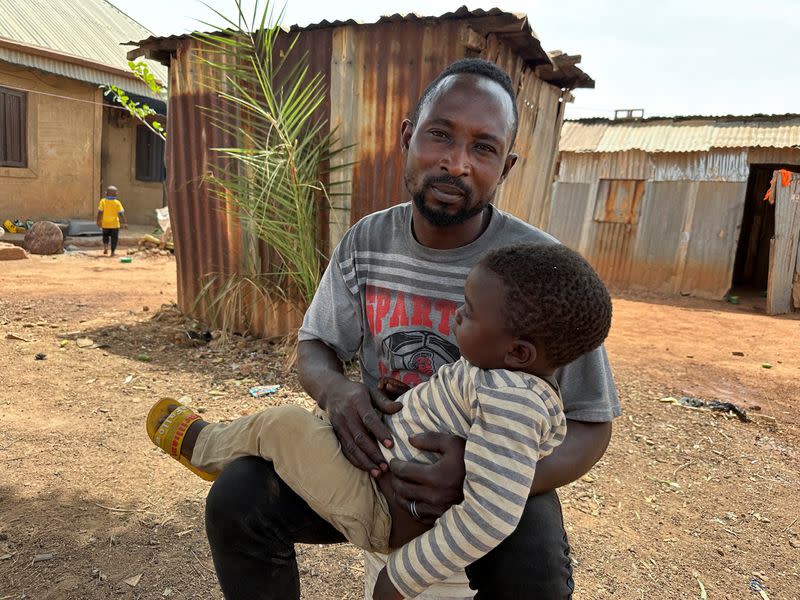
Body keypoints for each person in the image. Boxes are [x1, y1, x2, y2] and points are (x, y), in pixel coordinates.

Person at [201, 58, 621, 599]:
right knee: (239, 497)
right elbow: (315, 345)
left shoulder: (541, 268)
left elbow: (592, 423)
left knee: (533, 568)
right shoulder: (367, 242)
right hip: (376, 466)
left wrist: (479, 478)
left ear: (507, 166)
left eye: (483, 148)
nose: (456, 163)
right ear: (408, 135)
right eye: (440, 135)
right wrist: (338, 392)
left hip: (495, 474)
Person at [147, 243, 612, 599]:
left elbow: (491, 515)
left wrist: (401, 576)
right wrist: (405, 402)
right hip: (382, 465)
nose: (456, 314)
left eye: (468, 311)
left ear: (518, 352)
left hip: (383, 501)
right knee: (250, 484)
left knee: (284, 425)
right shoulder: (501, 373)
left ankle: (205, 447)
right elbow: (319, 346)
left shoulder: (512, 396)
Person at [96, 185, 127, 256]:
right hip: (115, 224)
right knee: (114, 238)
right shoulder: (117, 203)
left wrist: (98, 220)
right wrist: (124, 223)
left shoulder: (103, 201)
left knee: (105, 236)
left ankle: (106, 247)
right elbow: (121, 214)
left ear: (106, 193)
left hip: (105, 223)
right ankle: (112, 252)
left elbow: (100, 212)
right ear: (116, 194)